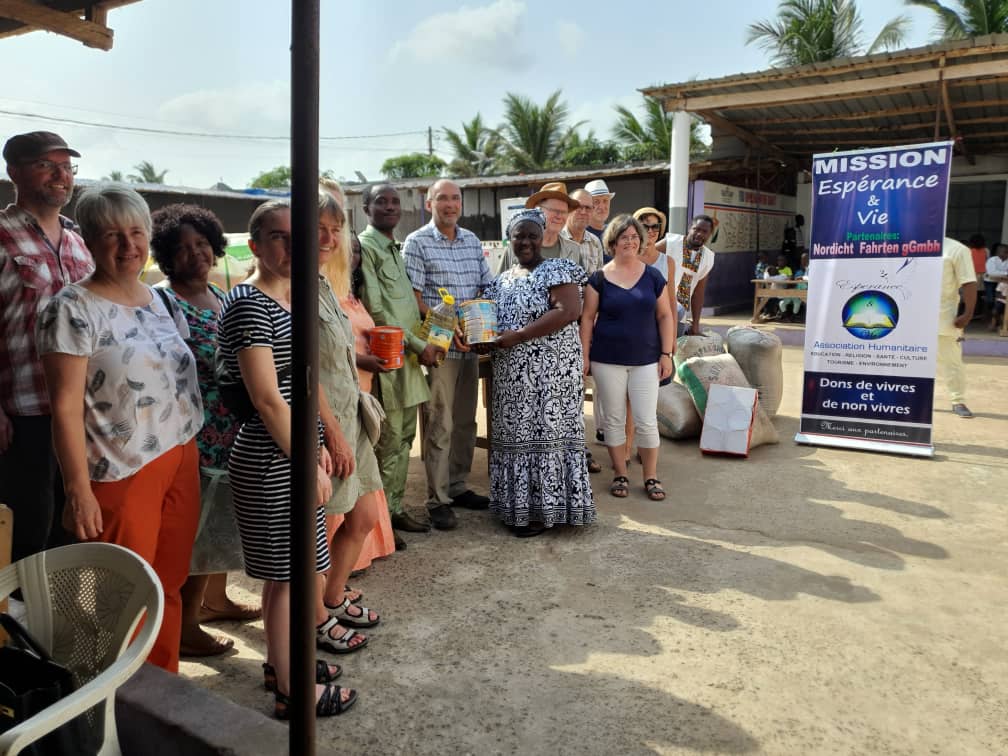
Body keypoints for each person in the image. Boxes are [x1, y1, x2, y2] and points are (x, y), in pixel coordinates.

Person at [37, 184, 201, 674]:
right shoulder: (70, 309)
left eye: (136, 233)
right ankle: (122, 708)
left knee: (167, 583)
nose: (128, 245)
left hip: (179, 455)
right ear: (88, 239)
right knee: (124, 599)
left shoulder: (158, 300)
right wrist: (78, 491)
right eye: (112, 234)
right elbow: (64, 407)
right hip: (119, 469)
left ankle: (164, 689)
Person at [217, 200, 355, 717]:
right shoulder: (252, 304)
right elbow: (268, 399)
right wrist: (308, 462)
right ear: (254, 245)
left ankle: (282, 665)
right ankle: (291, 693)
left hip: (287, 450)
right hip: (274, 455)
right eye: (279, 237)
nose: (291, 247)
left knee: (286, 576)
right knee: (292, 578)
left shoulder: (283, 300)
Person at [148, 203, 260, 659]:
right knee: (193, 531)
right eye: (181, 248)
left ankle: (216, 599)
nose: (194, 254)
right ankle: (187, 625)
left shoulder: (225, 296)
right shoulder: (162, 300)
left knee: (222, 522)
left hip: (230, 429)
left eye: (201, 245)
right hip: (194, 430)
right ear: (166, 256)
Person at [0, 131, 93, 564]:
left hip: (84, 413)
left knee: (71, 529)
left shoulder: (78, 240)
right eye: (47, 165)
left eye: (67, 167)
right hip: (24, 414)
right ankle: (18, 630)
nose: (61, 176)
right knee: (26, 533)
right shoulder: (1, 235)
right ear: (13, 171)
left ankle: (56, 627)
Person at [474, 208, 595, 537]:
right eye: (519, 235)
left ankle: (544, 511)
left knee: (546, 435)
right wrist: (481, 340)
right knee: (516, 438)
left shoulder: (557, 268)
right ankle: (517, 509)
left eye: (531, 235)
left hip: (551, 375)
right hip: (512, 377)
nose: (525, 241)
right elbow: (486, 322)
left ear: (542, 237)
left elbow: (569, 310)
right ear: (508, 240)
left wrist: (519, 336)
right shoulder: (500, 282)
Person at [404, 179, 493, 530]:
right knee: (440, 421)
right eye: (443, 198)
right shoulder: (417, 242)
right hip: (440, 346)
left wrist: (478, 324)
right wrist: (447, 328)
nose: (450, 204)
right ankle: (437, 498)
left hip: (470, 344)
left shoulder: (471, 240)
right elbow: (414, 298)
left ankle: (457, 486)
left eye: (456, 198)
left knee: (466, 420)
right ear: (430, 204)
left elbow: (486, 285)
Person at [314, 193, 383, 641]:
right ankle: (315, 622)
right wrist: (331, 435)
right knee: (312, 541)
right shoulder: (289, 288)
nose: (329, 237)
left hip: (351, 416)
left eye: (336, 229)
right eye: (318, 227)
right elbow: (299, 374)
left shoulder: (325, 283)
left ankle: (333, 596)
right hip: (324, 427)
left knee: (363, 518)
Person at [358, 184, 444, 535]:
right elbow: (377, 310)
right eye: (382, 202)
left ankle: (393, 511)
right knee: (389, 441)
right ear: (366, 208)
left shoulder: (394, 247)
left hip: (409, 358)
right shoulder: (366, 248)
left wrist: (432, 338)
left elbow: (406, 306)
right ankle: (380, 522)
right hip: (390, 356)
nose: (390, 207)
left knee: (406, 438)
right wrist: (416, 344)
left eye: (395, 202)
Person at [580, 215, 676, 502]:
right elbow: (587, 318)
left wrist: (666, 353)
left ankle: (650, 476)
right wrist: (584, 355)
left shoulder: (653, 276)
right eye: (624, 237)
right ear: (613, 242)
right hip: (607, 360)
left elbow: (665, 315)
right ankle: (620, 473)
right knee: (613, 419)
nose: (631, 242)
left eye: (635, 237)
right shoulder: (598, 278)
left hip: (646, 359)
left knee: (646, 420)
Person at [494, 182, 582, 274]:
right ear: (538, 210)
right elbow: (498, 285)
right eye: (554, 210)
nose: (559, 216)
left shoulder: (574, 250)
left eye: (564, 212)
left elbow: (582, 286)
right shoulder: (515, 248)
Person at [937, 237, 977, 419]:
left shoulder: (956, 249)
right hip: (909, 319)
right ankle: (906, 399)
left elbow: (969, 282)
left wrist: (968, 314)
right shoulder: (908, 244)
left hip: (943, 317)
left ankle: (957, 400)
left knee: (951, 362)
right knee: (905, 361)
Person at [664, 215, 716, 336]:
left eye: (705, 231)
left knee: (673, 350)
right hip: (658, 310)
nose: (699, 234)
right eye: (696, 229)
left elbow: (698, 293)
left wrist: (695, 324)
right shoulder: (671, 243)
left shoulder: (708, 258)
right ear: (689, 228)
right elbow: (646, 256)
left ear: (710, 234)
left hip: (679, 316)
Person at [562, 189, 605, 274]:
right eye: (578, 207)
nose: (583, 212)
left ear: (593, 210)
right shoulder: (557, 238)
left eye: (588, 208)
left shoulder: (595, 242)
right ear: (568, 208)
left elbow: (598, 281)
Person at [983, 242, 1008, 330]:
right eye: (1001, 251)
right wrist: (1005, 274)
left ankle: (997, 322)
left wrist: (999, 275)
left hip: (1003, 283)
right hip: (990, 282)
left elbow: (995, 273)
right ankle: (990, 319)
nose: (1003, 253)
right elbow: (991, 273)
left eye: (1005, 252)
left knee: (1000, 302)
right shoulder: (992, 260)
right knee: (990, 300)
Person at [780, 251, 809, 322]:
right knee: (782, 303)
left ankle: (795, 317)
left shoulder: (810, 268)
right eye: (802, 259)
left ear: (808, 259)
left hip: (806, 292)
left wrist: (802, 278)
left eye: (805, 259)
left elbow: (811, 278)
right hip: (796, 291)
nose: (803, 261)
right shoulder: (800, 271)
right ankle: (788, 318)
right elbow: (793, 283)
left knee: (799, 303)